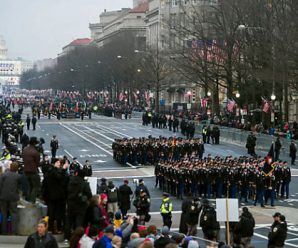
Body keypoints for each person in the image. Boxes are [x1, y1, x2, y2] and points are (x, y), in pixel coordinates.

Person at [64, 168, 92, 241]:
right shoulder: (84, 183)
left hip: (70, 204)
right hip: (80, 205)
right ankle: (77, 238)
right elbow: (89, 194)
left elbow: (66, 191)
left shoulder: (70, 181)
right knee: (79, 222)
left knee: (69, 221)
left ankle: (66, 237)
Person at [0, 162, 22, 235]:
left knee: (4, 214)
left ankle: (3, 231)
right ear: (17, 169)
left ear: (10, 167)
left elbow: (0, 186)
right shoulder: (18, 176)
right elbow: (20, 187)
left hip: (3, 197)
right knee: (14, 214)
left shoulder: (4, 175)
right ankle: (14, 231)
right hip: (13, 197)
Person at [22, 137, 41, 203]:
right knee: (36, 186)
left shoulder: (25, 150)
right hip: (33, 171)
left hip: (25, 171)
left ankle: (28, 199)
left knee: (30, 186)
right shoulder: (35, 152)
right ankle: (32, 201)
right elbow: (37, 163)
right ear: (34, 143)